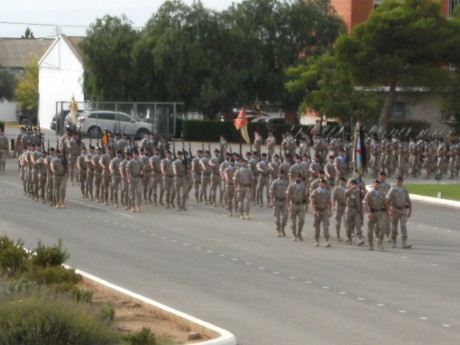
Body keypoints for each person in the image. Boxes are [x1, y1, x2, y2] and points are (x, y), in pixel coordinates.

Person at [386, 175, 412, 249]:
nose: (398, 182)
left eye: (400, 181)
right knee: (394, 227)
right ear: (395, 181)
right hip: (395, 209)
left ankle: (404, 243)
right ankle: (394, 241)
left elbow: (408, 200)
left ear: (402, 181)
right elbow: (387, 200)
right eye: (397, 180)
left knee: (403, 226)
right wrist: (389, 210)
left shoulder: (404, 190)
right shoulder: (392, 190)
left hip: (403, 210)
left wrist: (410, 211)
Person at [363, 179, 388, 251]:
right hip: (372, 212)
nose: (377, 185)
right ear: (373, 184)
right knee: (370, 230)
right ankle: (371, 245)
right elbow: (365, 204)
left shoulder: (382, 193)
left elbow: (385, 203)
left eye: (378, 184)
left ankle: (380, 243)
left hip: (380, 212)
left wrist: (388, 212)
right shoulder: (369, 193)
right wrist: (368, 213)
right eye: (375, 183)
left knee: (382, 228)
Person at [286, 173, 309, 241]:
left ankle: (299, 233)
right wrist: (288, 206)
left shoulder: (303, 187)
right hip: (293, 204)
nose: (298, 178)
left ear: (301, 178)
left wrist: (307, 205)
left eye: (299, 177)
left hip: (301, 204)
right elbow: (288, 197)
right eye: (297, 177)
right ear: (295, 178)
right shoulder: (291, 186)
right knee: (293, 222)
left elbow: (305, 196)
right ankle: (294, 235)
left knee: (302, 220)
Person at [310, 178, 333, 247]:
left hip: (325, 211)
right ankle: (316, 240)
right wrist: (314, 211)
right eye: (320, 183)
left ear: (325, 185)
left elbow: (330, 202)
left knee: (326, 227)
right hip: (317, 211)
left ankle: (327, 241)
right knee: (317, 227)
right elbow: (312, 202)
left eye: (323, 183)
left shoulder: (327, 193)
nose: (321, 184)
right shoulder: (315, 192)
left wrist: (330, 211)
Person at [344, 179, 366, 245]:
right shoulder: (347, 189)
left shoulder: (358, 191)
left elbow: (364, 196)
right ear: (350, 184)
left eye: (355, 184)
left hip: (357, 210)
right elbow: (346, 193)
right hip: (349, 209)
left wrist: (363, 188)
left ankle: (359, 238)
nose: (354, 185)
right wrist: (351, 188)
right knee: (348, 225)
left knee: (358, 224)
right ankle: (348, 237)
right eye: (352, 183)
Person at [269, 169, 289, 237]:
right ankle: (278, 230)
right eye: (280, 173)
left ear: (284, 175)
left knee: (285, 217)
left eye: (282, 174)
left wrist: (289, 203)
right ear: (278, 174)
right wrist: (271, 201)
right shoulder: (275, 182)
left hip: (284, 201)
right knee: (277, 218)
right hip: (277, 201)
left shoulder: (286, 183)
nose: (281, 175)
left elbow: (289, 193)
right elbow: (271, 192)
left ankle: (282, 228)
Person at [332, 176, 347, 241]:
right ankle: (338, 235)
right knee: (338, 221)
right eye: (340, 181)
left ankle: (347, 236)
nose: (341, 182)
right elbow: (334, 198)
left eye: (343, 181)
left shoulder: (347, 188)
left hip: (346, 206)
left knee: (346, 221)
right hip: (339, 205)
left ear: (345, 182)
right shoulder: (336, 189)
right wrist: (333, 206)